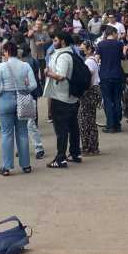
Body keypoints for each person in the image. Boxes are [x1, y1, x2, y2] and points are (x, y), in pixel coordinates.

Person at [0, 41, 35, 175]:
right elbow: (33, 85)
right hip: (22, 99)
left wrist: (1, 94)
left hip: (6, 99)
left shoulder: (1, 66)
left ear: (6, 52)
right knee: (22, 132)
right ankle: (26, 164)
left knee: (6, 133)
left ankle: (6, 166)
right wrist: (24, 90)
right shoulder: (25, 65)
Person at [44, 30, 81, 168]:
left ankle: (60, 158)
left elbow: (61, 75)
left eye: (55, 40)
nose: (53, 43)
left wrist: (48, 73)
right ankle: (75, 153)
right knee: (72, 126)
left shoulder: (63, 56)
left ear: (62, 42)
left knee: (61, 129)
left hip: (61, 96)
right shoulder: (70, 53)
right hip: (70, 96)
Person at [95, 25, 126, 133]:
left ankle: (110, 125)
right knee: (117, 99)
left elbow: (97, 59)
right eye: (117, 33)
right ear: (112, 33)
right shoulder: (119, 44)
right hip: (117, 75)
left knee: (107, 100)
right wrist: (125, 50)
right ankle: (117, 124)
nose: (118, 35)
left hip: (105, 75)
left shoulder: (100, 45)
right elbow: (123, 57)